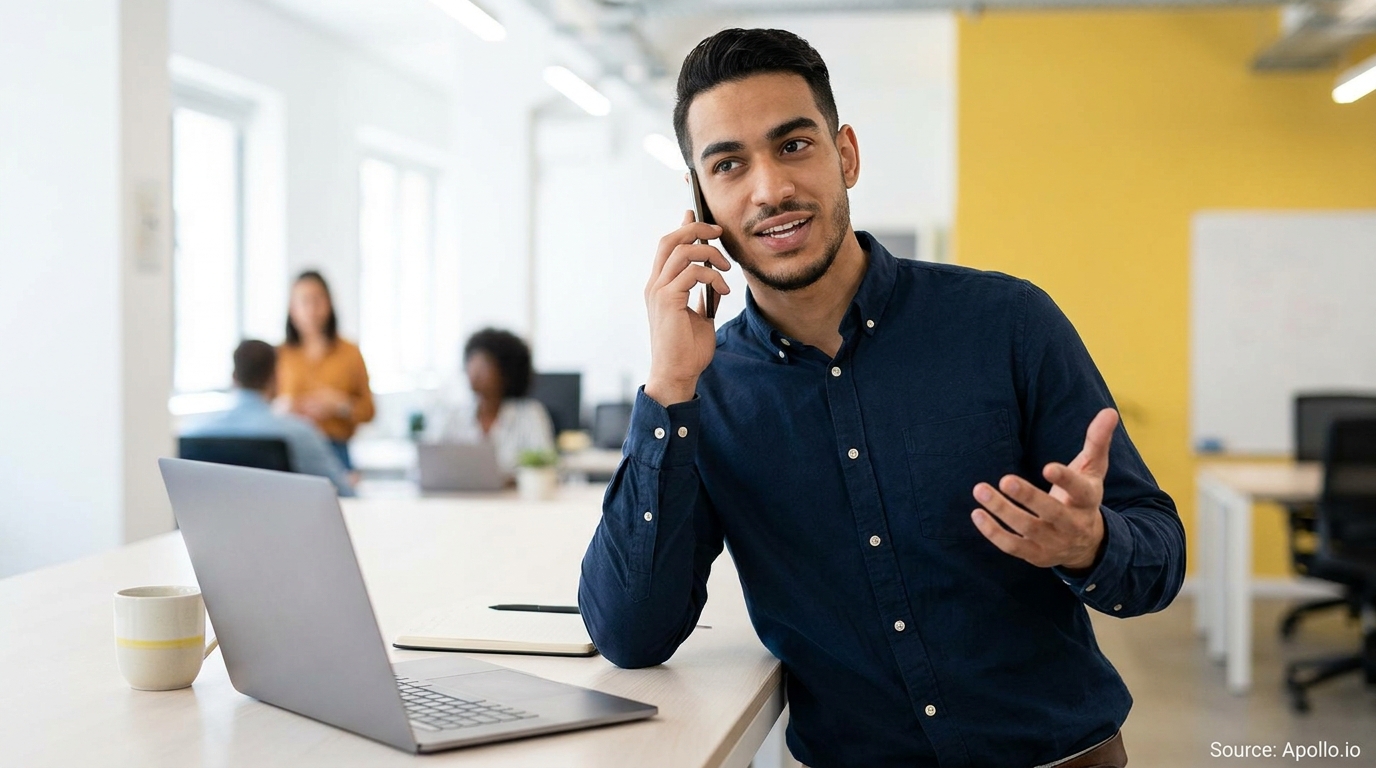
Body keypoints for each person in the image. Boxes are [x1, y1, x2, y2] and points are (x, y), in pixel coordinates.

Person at [577, 28, 1184, 768]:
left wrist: (1090, 544)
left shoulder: (1007, 324)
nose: (769, 189)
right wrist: (668, 386)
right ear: (700, 199)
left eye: (793, 145)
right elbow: (631, 635)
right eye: (729, 164)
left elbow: (1159, 561)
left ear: (846, 156)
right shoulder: (708, 393)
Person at [183, 340, 354, 497]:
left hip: (215, 529)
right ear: (275, 379)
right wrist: (349, 484)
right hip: (282, 528)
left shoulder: (192, 433)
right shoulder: (299, 434)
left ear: (234, 377)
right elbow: (340, 492)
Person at [276, 270, 374, 471]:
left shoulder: (350, 353)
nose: (311, 310)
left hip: (335, 450)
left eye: (317, 300)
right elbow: (264, 407)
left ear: (329, 303)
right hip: (289, 449)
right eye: (304, 301)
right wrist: (286, 409)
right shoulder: (280, 355)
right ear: (292, 309)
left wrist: (340, 404)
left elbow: (369, 411)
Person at [439, 328, 554, 476]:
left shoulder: (530, 415)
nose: (475, 372)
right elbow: (430, 466)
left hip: (512, 498)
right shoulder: (452, 416)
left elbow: (544, 468)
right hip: (460, 498)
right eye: (471, 362)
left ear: (506, 372)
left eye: (484, 365)